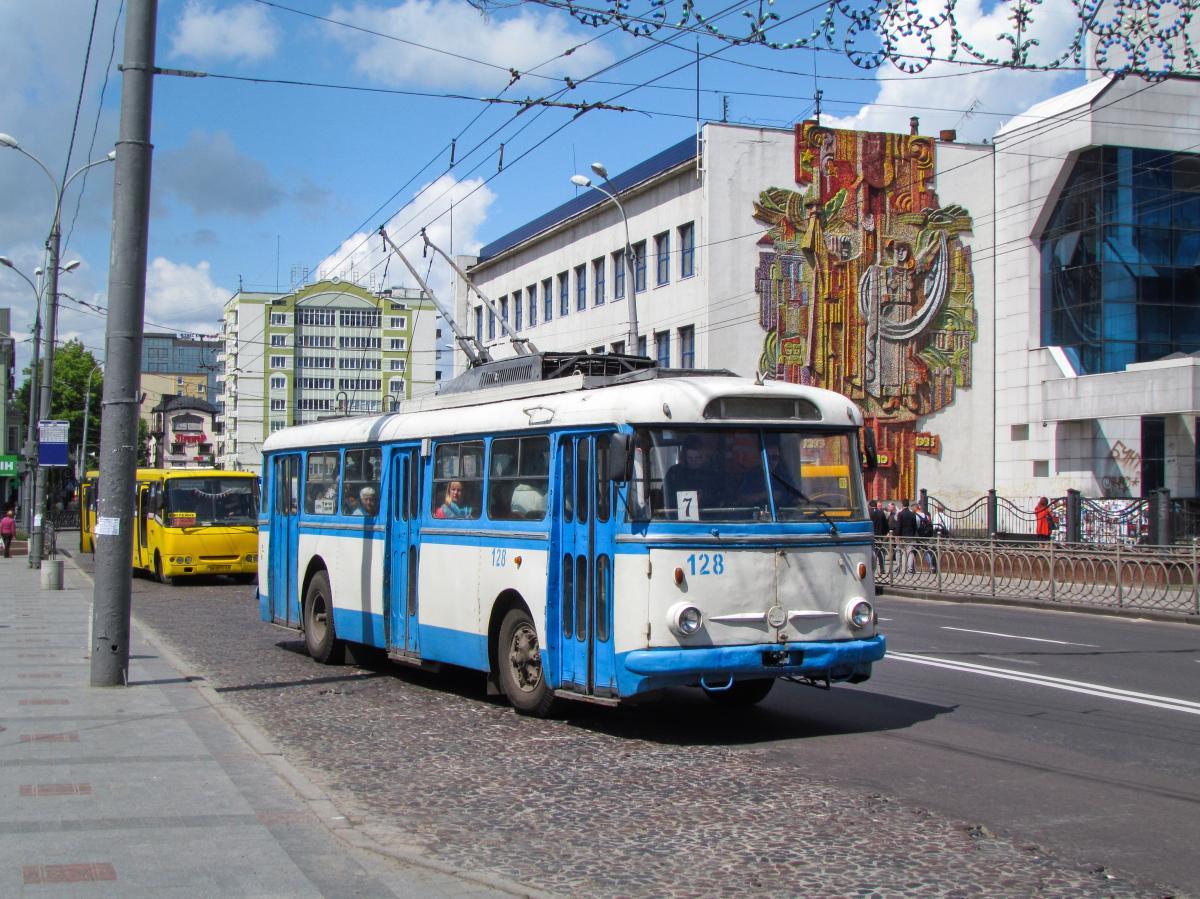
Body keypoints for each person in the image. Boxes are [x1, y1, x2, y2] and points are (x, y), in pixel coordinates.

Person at [663, 436, 723, 518]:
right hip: (676, 519)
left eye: (698, 457)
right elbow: (665, 496)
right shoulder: (674, 473)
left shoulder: (712, 475)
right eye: (690, 458)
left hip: (707, 518)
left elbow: (720, 498)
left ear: (704, 457)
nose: (694, 461)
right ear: (684, 457)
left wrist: (703, 497)